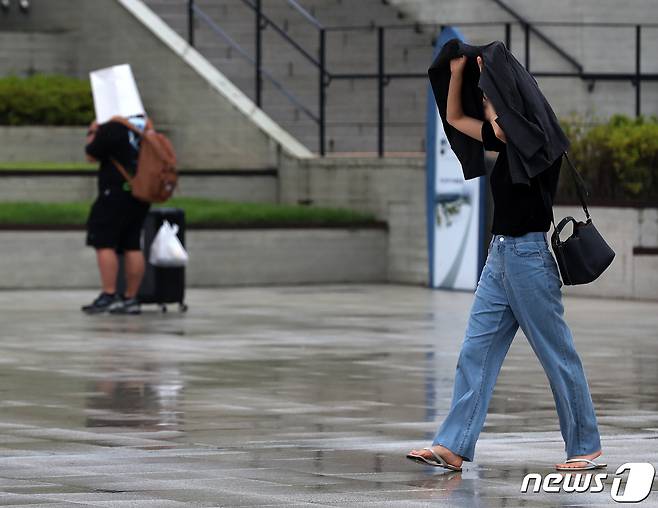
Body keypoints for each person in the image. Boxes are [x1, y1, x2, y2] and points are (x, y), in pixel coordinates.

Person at [407, 55, 605, 472]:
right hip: (499, 259)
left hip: (530, 259)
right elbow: (456, 117)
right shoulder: (506, 137)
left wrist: (494, 82)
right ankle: (453, 446)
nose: (482, 101)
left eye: (488, 94)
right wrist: (461, 74)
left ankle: (585, 446)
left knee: (557, 354)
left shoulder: (540, 141)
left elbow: (505, 125)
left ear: (508, 96)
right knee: (475, 352)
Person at [81, 115, 151, 315]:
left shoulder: (113, 126)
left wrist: (94, 131)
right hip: (140, 192)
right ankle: (131, 298)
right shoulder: (145, 124)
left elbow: (91, 155)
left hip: (114, 192)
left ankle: (109, 295)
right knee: (132, 243)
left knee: (103, 242)